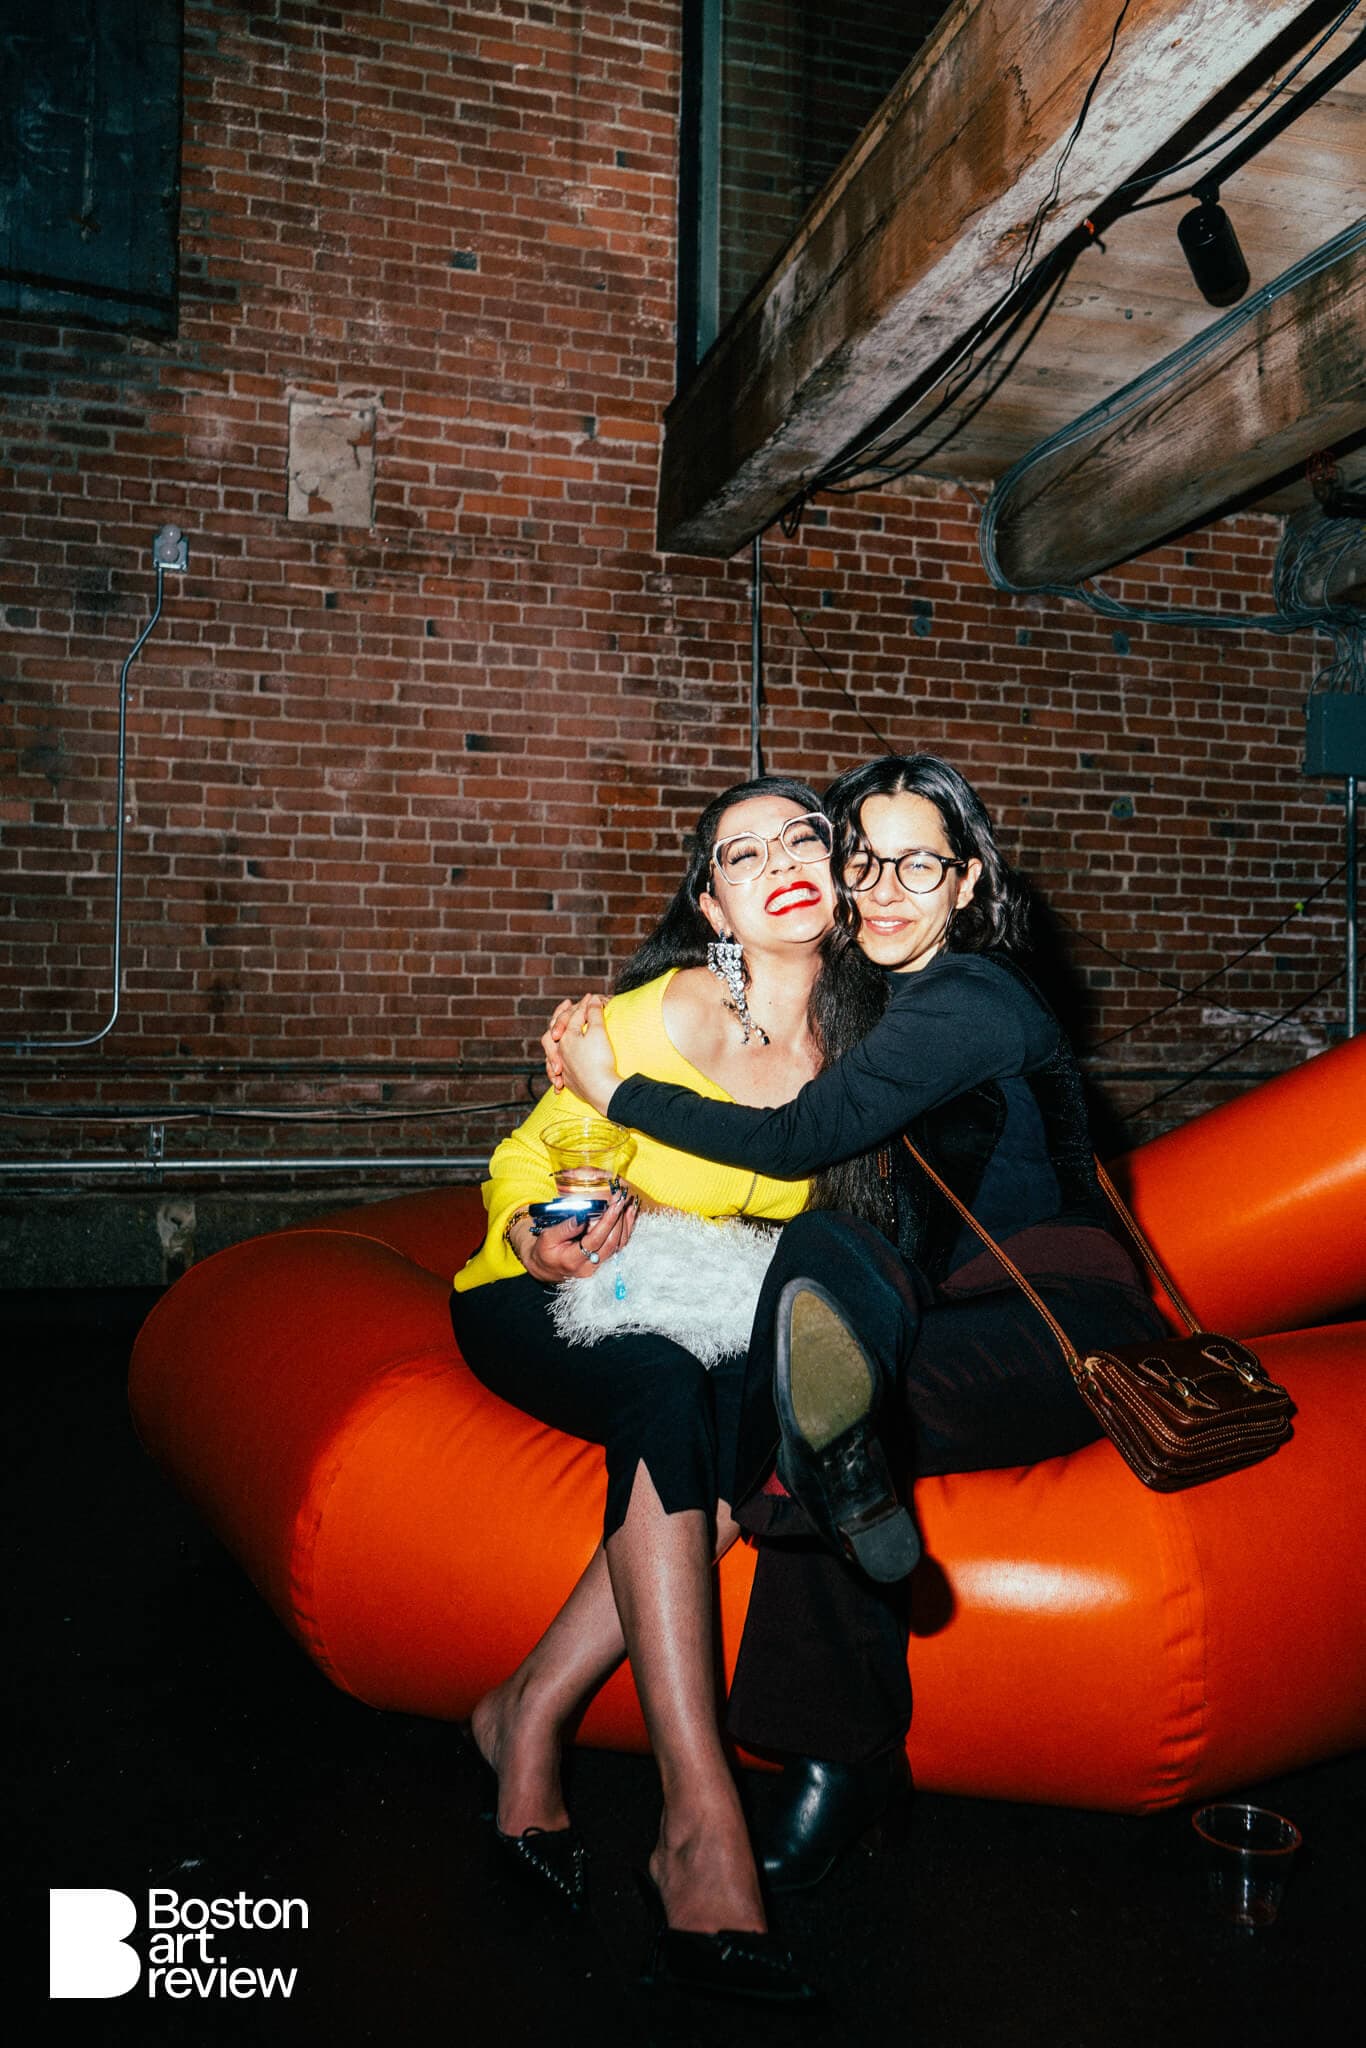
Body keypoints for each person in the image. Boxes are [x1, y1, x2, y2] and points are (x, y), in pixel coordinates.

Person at [550, 753, 1168, 1890]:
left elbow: (798, 1137)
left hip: (1062, 1321)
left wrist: (617, 1091)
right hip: (933, 1307)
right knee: (819, 1297)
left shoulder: (973, 999)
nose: (884, 889)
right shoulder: (873, 1004)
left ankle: (840, 1759)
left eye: (918, 865)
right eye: (864, 861)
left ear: (968, 882)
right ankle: (826, 1454)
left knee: (829, 1407)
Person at [450, 774, 841, 2004]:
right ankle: (698, 1817)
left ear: (842, 874)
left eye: (803, 837)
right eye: (742, 853)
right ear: (713, 908)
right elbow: (525, 1156)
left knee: (737, 1392)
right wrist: (533, 1232)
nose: (779, 860)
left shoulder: (872, 1039)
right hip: (549, 1291)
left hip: (710, 1308)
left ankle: (526, 1710)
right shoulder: (652, 1018)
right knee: (669, 1380)